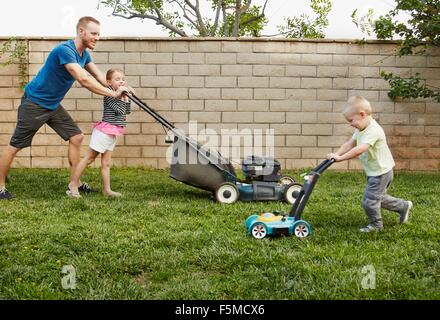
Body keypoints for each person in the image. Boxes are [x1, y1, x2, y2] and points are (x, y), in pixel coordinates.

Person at [0, 16, 128, 200]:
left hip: (52, 104)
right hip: (35, 103)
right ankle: (0, 186)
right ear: (81, 31)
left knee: (76, 137)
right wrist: (113, 94)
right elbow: (83, 79)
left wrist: (119, 88)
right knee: (15, 146)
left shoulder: (85, 54)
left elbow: (100, 77)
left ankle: (74, 183)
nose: (97, 38)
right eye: (93, 33)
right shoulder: (65, 50)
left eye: (99, 34)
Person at [326, 96, 413, 232]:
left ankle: (376, 225)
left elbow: (359, 150)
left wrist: (340, 158)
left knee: (369, 201)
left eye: (351, 120)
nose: (350, 124)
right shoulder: (361, 129)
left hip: (381, 172)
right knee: (378, 198)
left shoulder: (374, 131)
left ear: (362, 115)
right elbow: (350, 143)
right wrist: (336, 155)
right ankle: (403, 206)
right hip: (376, 172)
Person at [67, 69, 132, 198]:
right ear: (109, 82)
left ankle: (107, 190)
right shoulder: (110, 95)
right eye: (117, 79)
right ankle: (73, 185)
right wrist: (123, 96)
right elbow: (120, 110)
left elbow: (127, 111)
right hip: (103, 133)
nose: (121, 81)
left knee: (106, 163)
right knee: (89, 159)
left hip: (112, 133)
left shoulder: (120, 96)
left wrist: (127, 97)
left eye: (123, 79)